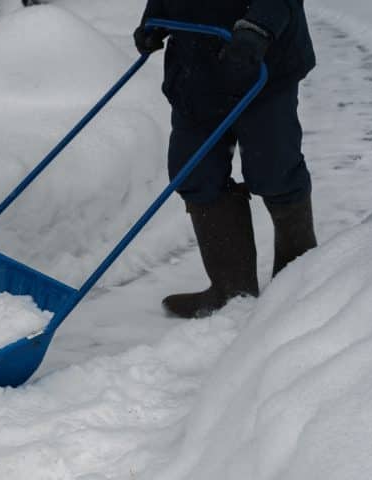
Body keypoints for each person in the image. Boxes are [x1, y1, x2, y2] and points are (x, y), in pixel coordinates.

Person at [133, 0, 318, 318]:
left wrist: (258, 26)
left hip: (264, 68)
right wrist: (156, 19)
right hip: (197, 72)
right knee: (194, 172)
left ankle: (300, 283)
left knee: (274, 170)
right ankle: (231, 292)